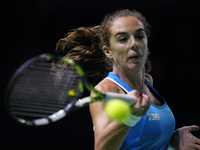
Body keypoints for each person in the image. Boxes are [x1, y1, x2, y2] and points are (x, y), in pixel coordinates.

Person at [56, 9, 200, 150]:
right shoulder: (105, 91)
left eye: (139, 36)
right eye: (123, 39)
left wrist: (172, 142)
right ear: (108, 51)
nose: (134, 44)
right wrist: (129, 117)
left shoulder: (148, 81)